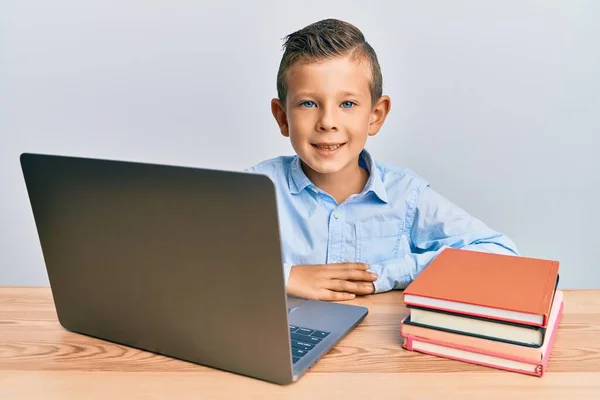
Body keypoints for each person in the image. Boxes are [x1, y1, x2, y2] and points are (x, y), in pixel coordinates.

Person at [245, 18, 519, 301]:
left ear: (375, 116)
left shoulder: (405, 196)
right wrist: (286, 275)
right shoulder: (253, 190)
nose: (328, 122)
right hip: (288, 342)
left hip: (379, 342)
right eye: (308, 104)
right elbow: (199, 256)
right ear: (282, 117)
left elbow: (500, 252)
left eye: (347, 104)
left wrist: (389, 273)